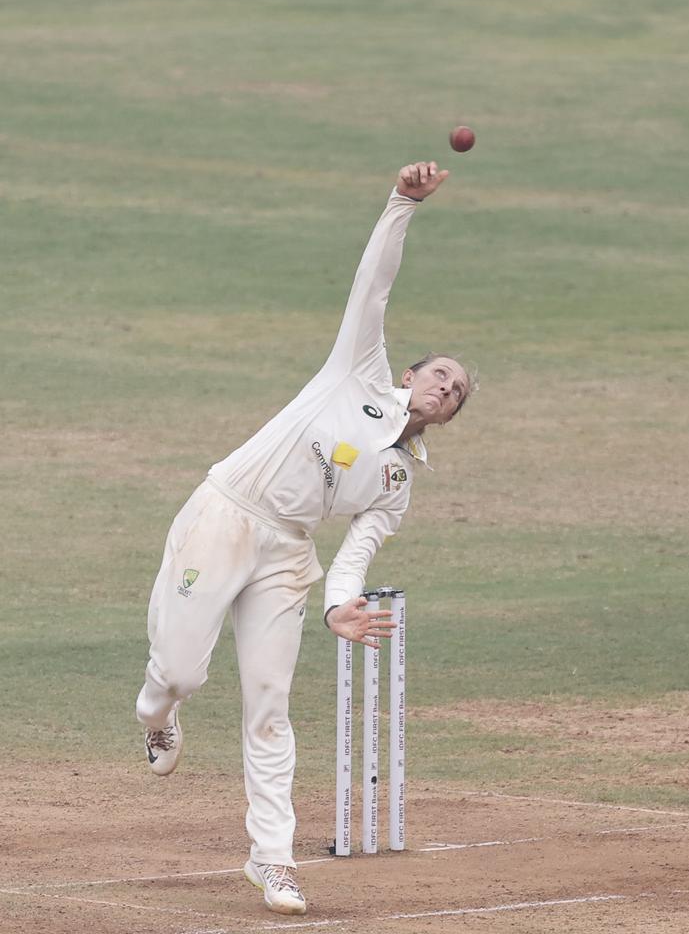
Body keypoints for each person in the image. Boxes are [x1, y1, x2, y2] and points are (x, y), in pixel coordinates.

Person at [135, 161, 472, 916]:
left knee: (270, 703)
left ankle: (273, 860)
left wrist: (339, 607)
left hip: (286, 554)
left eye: (455, 393)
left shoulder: (398, 486)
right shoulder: (355, 371)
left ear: (448, 417)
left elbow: (354, 555)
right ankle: (156, 713)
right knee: (182, 675)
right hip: (225, 513)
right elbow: (373, 288)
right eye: (439, 373)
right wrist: (401, 204)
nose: (443, 387)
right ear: (411, 373)